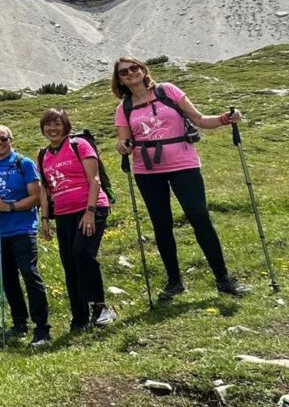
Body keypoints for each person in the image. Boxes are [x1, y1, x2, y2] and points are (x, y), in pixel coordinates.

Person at [112, 56, 250, 299]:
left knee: (199, 217)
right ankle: (174, 281)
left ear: (144, 70)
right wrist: (122, 147)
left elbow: (198, 120)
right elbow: (125, 140)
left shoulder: (168, 91)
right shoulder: (124, 108)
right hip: (147, 170)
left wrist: (224, 119)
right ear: (120, 79)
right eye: (124, 72)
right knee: (161, 224)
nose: (131, 73)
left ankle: (223, 278)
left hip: (183, 164)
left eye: (135, 68)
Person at [38, 109, 116, 332]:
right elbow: (45, 189)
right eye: (48, 125)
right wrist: (44, 218)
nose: (53, 129)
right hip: (63, 213)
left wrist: (90, 212)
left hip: (91, 207)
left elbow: (95, 180)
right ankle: (79, 317)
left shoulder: (79, 145)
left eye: (58, 124)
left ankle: (101, 307)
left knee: (82, 252)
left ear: (66, 126)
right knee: (69, 262)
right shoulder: (43, 154)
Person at [0, 124, 51, 347]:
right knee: (8, 278)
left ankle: (42, 329)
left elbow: (37, 196)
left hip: (23, 229)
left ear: (11, 140)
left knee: (29, 274)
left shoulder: (23, 163)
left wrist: (11, 207)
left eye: (3, 139)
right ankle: (19, 323)